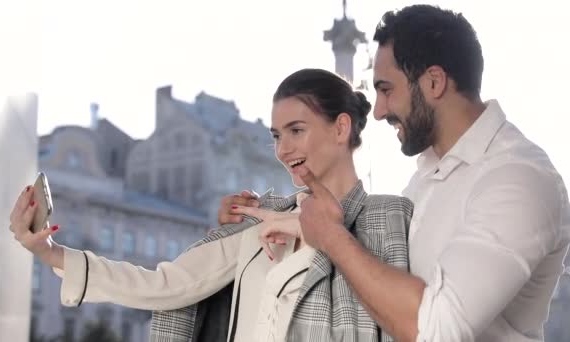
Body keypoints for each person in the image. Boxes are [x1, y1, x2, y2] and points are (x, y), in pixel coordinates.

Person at [223, 5, 570, 342]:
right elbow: (380, 272)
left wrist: (330, 236)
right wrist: (291, 223)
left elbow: (433, 330)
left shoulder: (518, 181)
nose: (377, 111)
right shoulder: (428, 177)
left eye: (386, 89)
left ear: (434, 82)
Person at [9, 68, 413, 342]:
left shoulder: (388, 217)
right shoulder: (260, 219)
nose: (282, 149)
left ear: (340, 127)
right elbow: (164, 285)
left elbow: (414, 323)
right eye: (276, 135)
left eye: (296, 130)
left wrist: (325, 236)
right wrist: (48, 252)